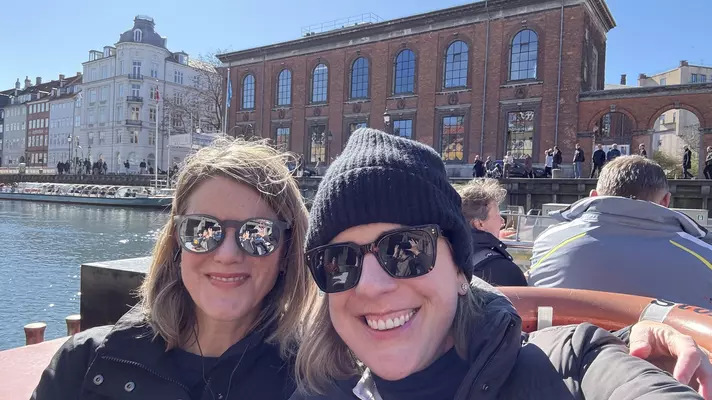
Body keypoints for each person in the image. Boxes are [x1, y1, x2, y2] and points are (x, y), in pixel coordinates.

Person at [292, 129, 711, 400]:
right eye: (338, 261)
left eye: (405, 249)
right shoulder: (309, 388)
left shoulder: (572, 369)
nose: (370, 285)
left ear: (460, 268)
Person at [33, 138, 318, 400]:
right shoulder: (83, 363)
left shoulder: (316, 384)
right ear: (176, 244)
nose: (227, 255)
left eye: (258, 234)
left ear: (286, 253)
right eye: (202, 229)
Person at [529, 155, 712, 308]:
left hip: (563, 348)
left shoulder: (549, 240)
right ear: (665, 201)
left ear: (594, 196)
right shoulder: (705, 255)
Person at [458, 178, 527, 286]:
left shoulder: (442, 259)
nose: (502, 221)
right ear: (479, 224)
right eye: (497, 215)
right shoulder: (508, 272)